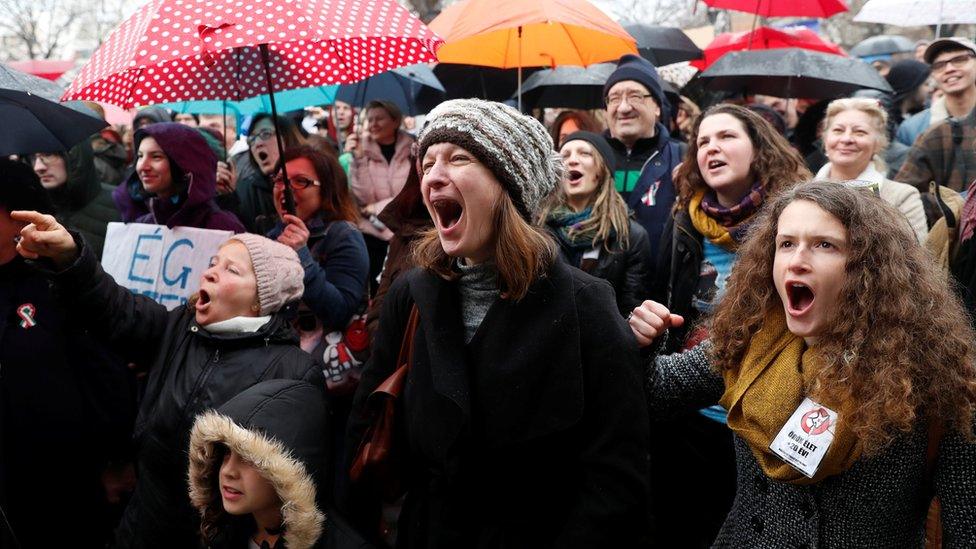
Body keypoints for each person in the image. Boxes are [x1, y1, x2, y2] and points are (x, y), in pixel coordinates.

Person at [344, 98, 650, 547]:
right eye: (427, 163)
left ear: (509, 186)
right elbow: (364, 425)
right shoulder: (411, 295)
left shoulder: (586, 305)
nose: (433, 176)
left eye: (459, 158)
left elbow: (617, 477)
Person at [631, 180, 976, 547]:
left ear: (870, 266)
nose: (797, 261)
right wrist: (645, 342)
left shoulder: (934, 375)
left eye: (824, 245)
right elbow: (655, 395)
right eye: (786, 244)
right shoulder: (748, 339)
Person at [11, 213, 322, 548]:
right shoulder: (178, 329)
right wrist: (70, 256)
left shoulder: (292, 371)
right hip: (143, 527)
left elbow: (294, 488)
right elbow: (114, 306)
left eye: (232, 270)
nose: (211, 272)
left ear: (262, 300)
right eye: (214, 262)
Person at [651, 103, 810, 547]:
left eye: (726, 137)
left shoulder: (797, 219)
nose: (711, 148)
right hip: (694, 412)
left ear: (759, 149)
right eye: (702, 141)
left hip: (770, 416)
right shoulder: (684, 221)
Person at [0, 159, 134, 547]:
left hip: (63, 477)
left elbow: (105, 374)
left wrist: (116, 459)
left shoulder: (59, 281)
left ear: (18, 216)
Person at [189, 380, 368, 549]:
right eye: (226, 452)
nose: (228, 471)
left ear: (290, 472)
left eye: (249, 458)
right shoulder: (221, 532)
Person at [538, 131, 652, 315]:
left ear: (601, 170)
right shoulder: (538, 230)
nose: (572, 160)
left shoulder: (630, 236)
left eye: (584, 153)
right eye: (565, 155)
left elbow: (631, 312)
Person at [603, 53, 684, 266]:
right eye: (614, 98)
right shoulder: (589, 159)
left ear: (657, 107)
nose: (623, 107)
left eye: (635, 96)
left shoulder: (682, 158)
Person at [815, 97, 927, 243]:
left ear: (878, 143)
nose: (847, 139)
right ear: (825, 138)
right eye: (838, 130)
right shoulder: (800, 193)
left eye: (859, 132)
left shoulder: (902, 197)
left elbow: (914, 257)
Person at [112, 122, 245, 232]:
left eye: (156, 157)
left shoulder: (224, 228)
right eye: (140, 156)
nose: (142, 167)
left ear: (184, 165)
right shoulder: (143, 226)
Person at [347, 100, 415, 293]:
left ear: (395, 121)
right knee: (378, 291)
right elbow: (363, 197)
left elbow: (408, 194)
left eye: (379, 118)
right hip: (373, 233)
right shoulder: (362, 150)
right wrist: (358, 158)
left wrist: (376, 207)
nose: (373, 124)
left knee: (404, 290)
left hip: (404, 231)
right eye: (369, 120)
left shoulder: (412, 149)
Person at [32, 140, 121, 257]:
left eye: (48, 154)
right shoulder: (35, 207)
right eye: (34, 157)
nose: (38, 167)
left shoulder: (121, 202)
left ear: (76, 157)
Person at [233, 114, 306, 233]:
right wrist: (227, 197)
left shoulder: (309, 180)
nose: (257, 144)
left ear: (286, 137)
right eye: (251, 139)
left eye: (266, 134)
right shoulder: (245, 189)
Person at [897, 37, 976, 147]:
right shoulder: (912, 129)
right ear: (932, 74)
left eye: (959, 60)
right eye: (939, 65)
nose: (949, 69)